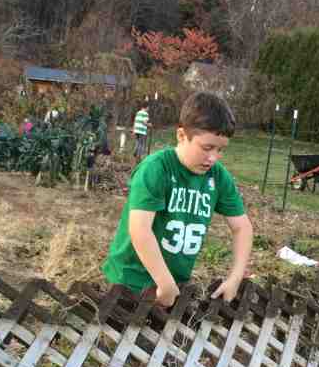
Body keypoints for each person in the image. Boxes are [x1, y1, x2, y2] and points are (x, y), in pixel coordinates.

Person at [103, 91, 253, 308]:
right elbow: (140, 229)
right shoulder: (156, 168)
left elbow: (242, 228)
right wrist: (163, 281)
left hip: (175, 284)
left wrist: (235, 278)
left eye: (220, 150)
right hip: (130, 282)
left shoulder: (218, 177)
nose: (213, 158)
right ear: (181, 136)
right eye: (207, 148)